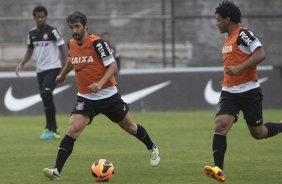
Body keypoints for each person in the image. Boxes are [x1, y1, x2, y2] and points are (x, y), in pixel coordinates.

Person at [43, 11, 160, 181]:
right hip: (86, 98)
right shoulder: (72, 44)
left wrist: (100, 83)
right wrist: (63, 74)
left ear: (85, 26)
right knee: (73, 128)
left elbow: (113, 66)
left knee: (130, 127)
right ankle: (56, 171)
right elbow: (71, 59)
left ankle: (152, 147)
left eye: (77, 26)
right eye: (71, 27)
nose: (74, 30)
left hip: (108, 96)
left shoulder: (98, 43)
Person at [203, 1, 282, 182]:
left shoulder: (243, 34)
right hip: (229, 92)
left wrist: (238, 69)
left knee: (258, 133)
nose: (217, 23)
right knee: (221, 124)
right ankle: (218, 169)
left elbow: (260, 54)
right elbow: (232, 65)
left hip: (249, 92)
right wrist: (229, 78)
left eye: (218, 19)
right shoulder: (228, 40)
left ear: (227, 19)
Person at [16, 6, 67, 140]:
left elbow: (62, 49)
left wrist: (63, 70)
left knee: (46, 93)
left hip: (53, 68)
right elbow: (29, 51)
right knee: (45, 98)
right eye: (37, 17)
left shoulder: (53, 31)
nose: (40, 19)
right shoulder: (32, 33)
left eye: (42, 16)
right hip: (40, 71)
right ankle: (48, 128)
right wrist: (21, 63)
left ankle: (54, 129)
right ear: (34, 18)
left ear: (46, 17)